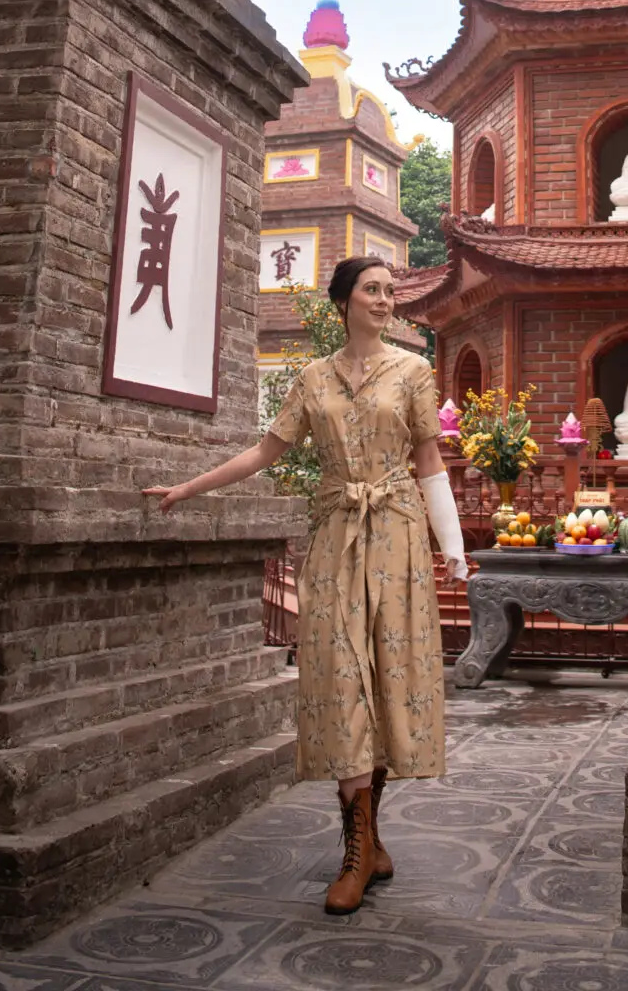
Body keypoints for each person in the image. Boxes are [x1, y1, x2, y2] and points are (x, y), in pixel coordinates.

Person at [144, 256, 467, 916]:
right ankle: (355, 850)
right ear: (343, 301)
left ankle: (370, 840)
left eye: (389, 291)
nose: (385, 300)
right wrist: (188, 488)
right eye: (372, 290)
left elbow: (431, 461)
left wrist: (455, 550)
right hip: (333, 538)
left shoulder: (413, 372)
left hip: (399, 539)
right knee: (340, 678)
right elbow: (265, 453)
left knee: (384, 680)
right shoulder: (312, 379)